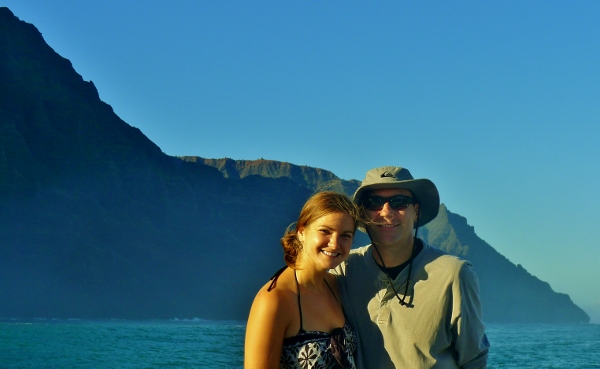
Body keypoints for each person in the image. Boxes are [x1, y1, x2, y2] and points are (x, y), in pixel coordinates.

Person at [333, 166, 489, 368]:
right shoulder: (342, 270)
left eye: (399, 202)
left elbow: (474, 360)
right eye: (374, 203)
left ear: (416, 211)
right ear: (363, 214)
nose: (386, 212)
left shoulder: (454, 274)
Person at [245, 191, 362, 369]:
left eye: (345, 235)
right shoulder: (274, 301)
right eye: (325, 231)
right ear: (301, 232)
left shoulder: (335, 286)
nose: (335, 243)